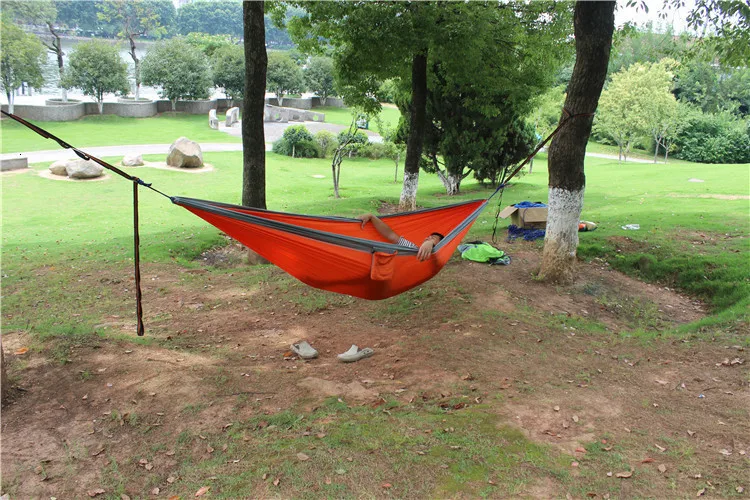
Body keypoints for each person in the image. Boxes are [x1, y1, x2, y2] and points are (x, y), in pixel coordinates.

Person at [357, 213, 444, 261]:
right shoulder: (411, 248)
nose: (427, 238)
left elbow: (439, 254)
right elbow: (390, 235)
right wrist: (372, 217)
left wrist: (430, 243)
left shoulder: (435, 259)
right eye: (428, 237)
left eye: (433, 238)